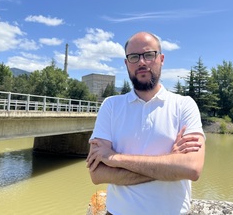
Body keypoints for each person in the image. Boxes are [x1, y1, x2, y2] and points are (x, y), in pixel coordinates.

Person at [86, 31, 205, 215]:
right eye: (134, 57)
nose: (141, 62)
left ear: (161, 58)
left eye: (149, 55)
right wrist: (170, 165)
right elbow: (97, 174)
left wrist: (115, 158)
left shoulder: (184, 105)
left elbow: (191, 168)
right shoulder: (111, 106)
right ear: (126, 63)